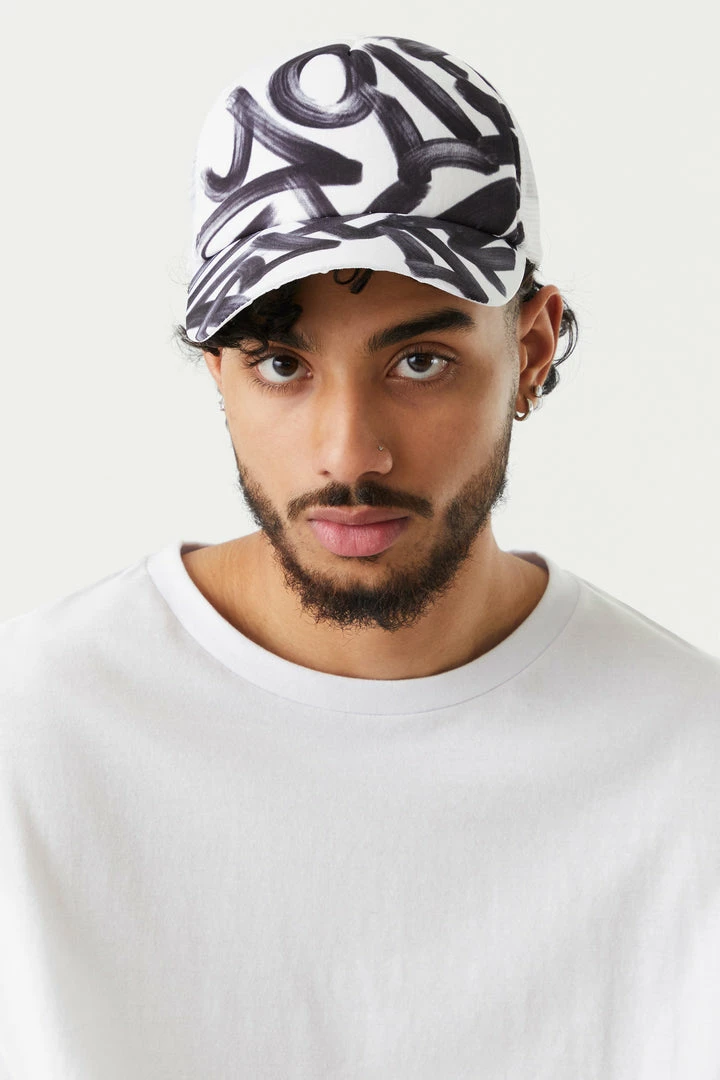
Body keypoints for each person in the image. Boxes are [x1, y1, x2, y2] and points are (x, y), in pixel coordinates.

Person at [1, 34, 719, 1080]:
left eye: (420, 361)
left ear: (529, 350)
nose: (349, 454)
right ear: (217, 371)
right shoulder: (33, 734)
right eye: (280, 363)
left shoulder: (690, 763)